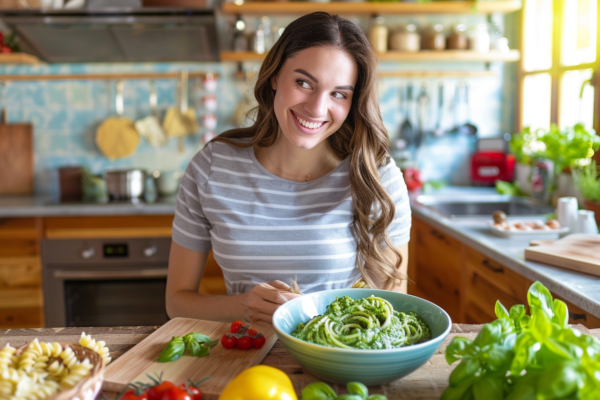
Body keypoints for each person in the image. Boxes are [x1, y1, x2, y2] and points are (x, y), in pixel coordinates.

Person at [166, 12, 411, 324]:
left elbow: (393, 310)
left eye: (338, 93)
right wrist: (242, 307)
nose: (317, 108)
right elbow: (176, 302)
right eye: (303, 82)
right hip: (241, 356)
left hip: (341, 365)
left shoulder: (376, 175)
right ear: (273, 77)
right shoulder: (212, 167)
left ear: (352, 102)